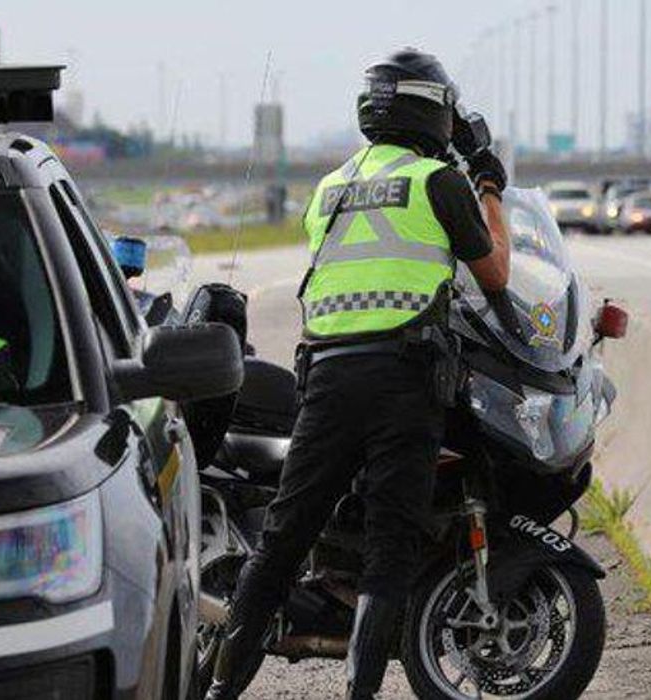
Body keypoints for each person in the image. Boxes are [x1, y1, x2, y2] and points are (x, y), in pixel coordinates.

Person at [205, 48, 511, 700]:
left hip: (325, 378)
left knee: (284, 540)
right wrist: (488, 182)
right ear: (434, 111)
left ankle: (219, 692)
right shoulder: (438, 182)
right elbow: (495, 274)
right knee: (390, 546)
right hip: (402, 377)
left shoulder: (330, 187)